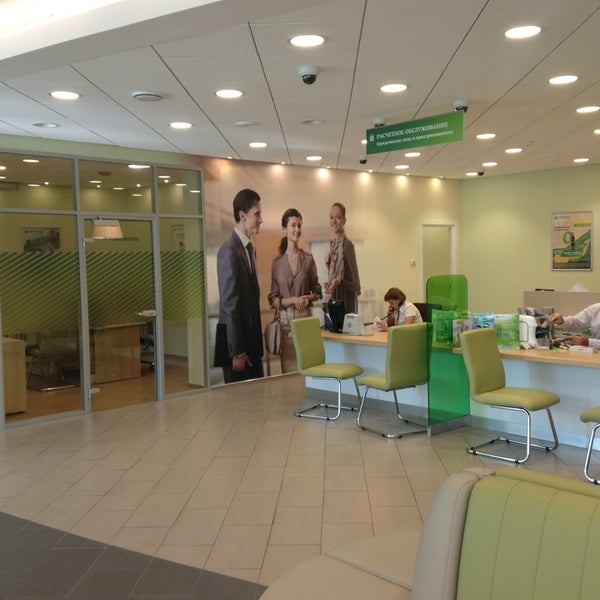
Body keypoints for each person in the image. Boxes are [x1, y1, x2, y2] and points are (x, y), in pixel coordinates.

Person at [216, 188, 264, 383]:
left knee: (257, 397)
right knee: (238, 400)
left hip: (251, 345)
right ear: (243, 216)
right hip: (237, 349)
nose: (261, 219)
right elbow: (230, 305)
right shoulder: (229, 251)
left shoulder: (249, 249)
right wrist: (238, 352)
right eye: (257, 214)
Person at [268, 208, 322, 373]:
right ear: (285, 229)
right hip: (285, 325)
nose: (297, 229)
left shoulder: (308, 260)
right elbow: (273, 299)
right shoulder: (277, 263)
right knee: (289, 372)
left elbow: (317, 292)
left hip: (305, 321)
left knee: (308, 369)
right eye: (293, 225)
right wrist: (293, 300)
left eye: (299, 225)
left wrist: (306, 299)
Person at [323, 202, 361, 314]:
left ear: (344, 221)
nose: (334, 221)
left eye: (338, 217)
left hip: (346, 307)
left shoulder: (347, 245)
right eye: (331, 217)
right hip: (334, 304)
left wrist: (339, 282)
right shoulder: (334, 245)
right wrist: (328, 266)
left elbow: (356, 286)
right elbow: (339, 275)